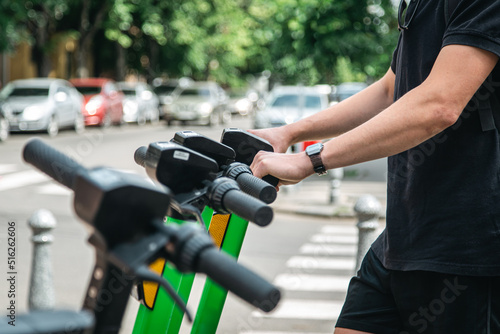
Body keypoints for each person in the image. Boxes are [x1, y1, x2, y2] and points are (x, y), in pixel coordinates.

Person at [249, 0, 500, 333]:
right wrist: (289, 132)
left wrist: (311, 160)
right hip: (402, 236)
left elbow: (439, 104)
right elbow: (388, 90)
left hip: (467, 250)